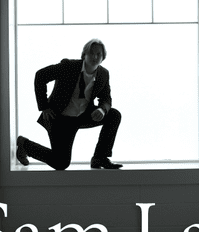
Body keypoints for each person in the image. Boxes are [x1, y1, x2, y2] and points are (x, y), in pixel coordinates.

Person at [15, 39, 123, 170]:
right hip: (59, 119)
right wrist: (44, 106)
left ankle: (100, 157)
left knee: (114, 115)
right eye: (91, 53)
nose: (95, 57)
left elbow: (106, 99)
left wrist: (102, 109)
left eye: (99, 54)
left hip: (83, 116)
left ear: (103, 57)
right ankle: (25, 145)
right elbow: (40, 76)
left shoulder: (103, 74)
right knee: (61, 163)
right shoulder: (68, 66)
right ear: (84, 54)